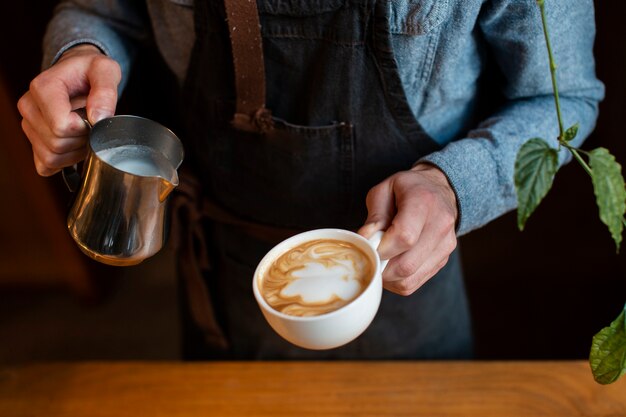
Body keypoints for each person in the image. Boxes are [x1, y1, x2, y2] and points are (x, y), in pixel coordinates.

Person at [17, 0, 604, 359]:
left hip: (407, 280)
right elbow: (102, 8)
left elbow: (563, 99)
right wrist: (80, 50)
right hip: (222, 274)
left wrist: (453, 187)